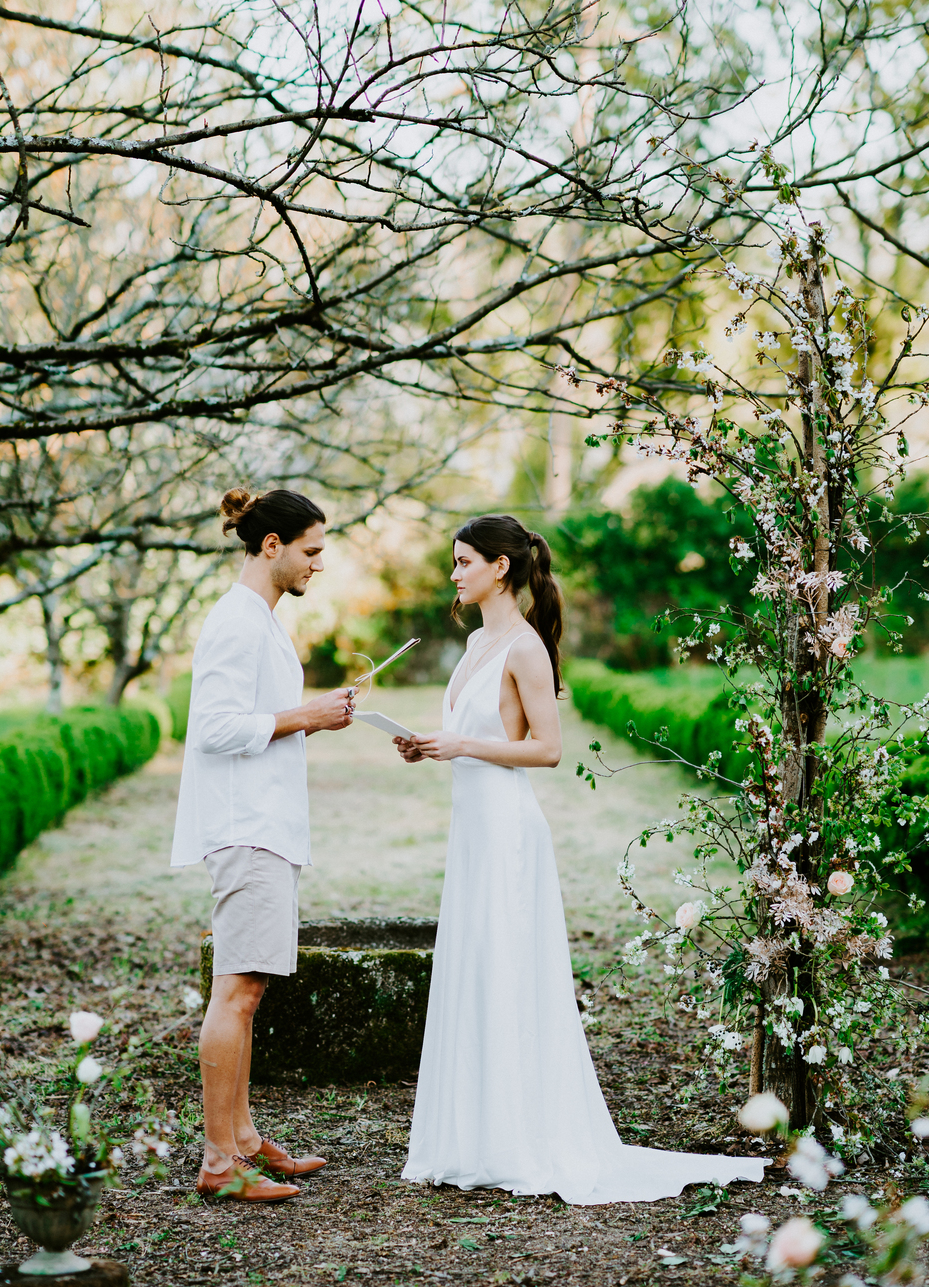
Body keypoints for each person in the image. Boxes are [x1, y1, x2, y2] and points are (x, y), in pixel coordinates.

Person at [394, 514, 767, 1204]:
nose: (454, 574)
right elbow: (475, 733)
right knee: (476, 968)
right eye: (455, 562)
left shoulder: (525, 647)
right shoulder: (476, 642)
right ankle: (472, 1135)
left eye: (465, 561)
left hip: (508, 832)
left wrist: (462, 745)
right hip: (471, 831)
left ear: (500, 568)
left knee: (508, 969)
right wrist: (430, 745)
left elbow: (547, 749)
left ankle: (516, 1139)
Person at [171, 487, 355, 1202]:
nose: (319, 564)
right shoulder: (236, 622)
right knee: (238, 991)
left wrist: (312, 716)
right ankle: (220, 1164)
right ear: (271, 545)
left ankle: (244, 1139)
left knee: (249, 990)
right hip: (245, 829)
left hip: (266, 827)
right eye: (311, 550)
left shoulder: (261, 620)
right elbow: (213, 729)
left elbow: (256, 719)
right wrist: (307, 714)